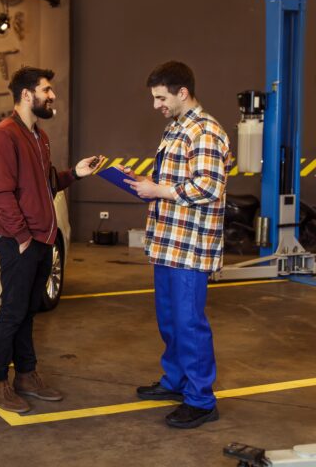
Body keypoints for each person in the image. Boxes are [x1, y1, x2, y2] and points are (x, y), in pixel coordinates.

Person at [0, 66, 100, 413]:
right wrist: (20, 237)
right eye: (46, 90)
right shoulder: (3, 136)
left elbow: (43, 186)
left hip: (41, 240)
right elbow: (0, 195)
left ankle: (26, 375)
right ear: (26, 95)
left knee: (28, 312)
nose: (52, 96)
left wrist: (73, 174)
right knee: (12, 313)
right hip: (21, 241)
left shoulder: (40, 137)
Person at [125, 61, 232, 429]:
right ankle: (176, 382)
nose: (156, 105)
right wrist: (142, 182)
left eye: (160, 97)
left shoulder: (204, 131)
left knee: (189, 325)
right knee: (170, 321)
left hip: (190, 246)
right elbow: (172, 180)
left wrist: (158, 190)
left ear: (181, 92)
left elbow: (208, 187)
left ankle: (201, 400)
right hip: (168, 243)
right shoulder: (175, 129)